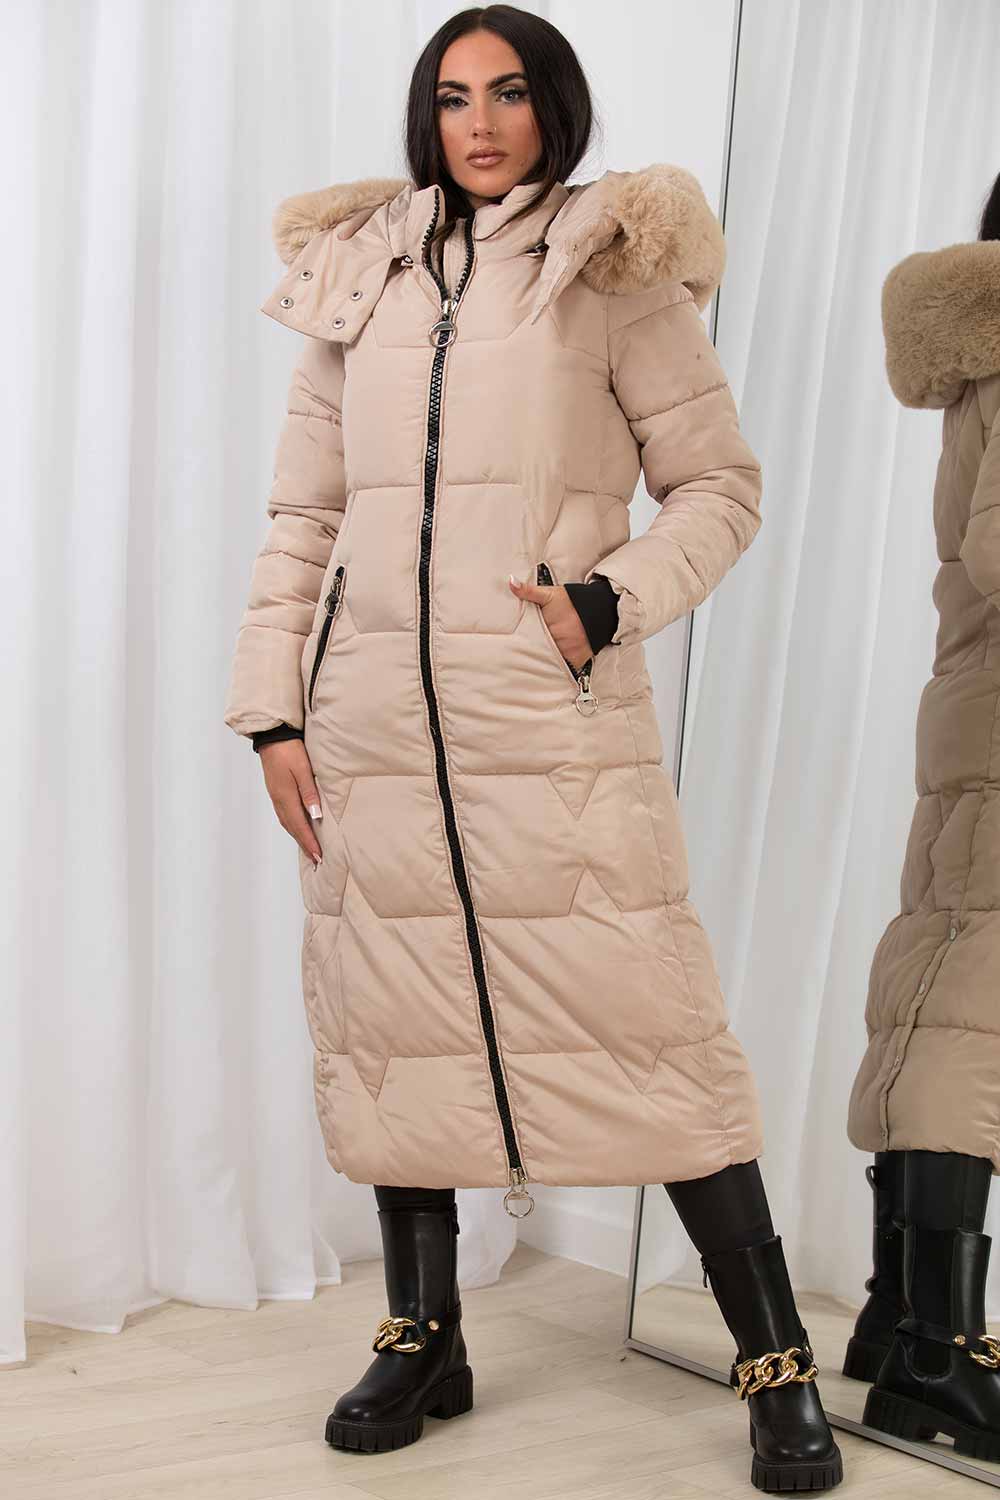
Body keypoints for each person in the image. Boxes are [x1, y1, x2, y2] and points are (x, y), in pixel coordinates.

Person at [224, 6, 842, 1490]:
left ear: (553, 106)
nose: (482, 123)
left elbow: (721, 486)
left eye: (508, 94)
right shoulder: (362, 271)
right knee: (400, 1025)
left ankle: (774, 1361)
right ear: (425, 117)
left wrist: (606, 601)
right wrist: (273, 711)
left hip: (549, 722)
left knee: (656, 1030)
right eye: (453, 98)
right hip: (374, 728)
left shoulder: (611, 270)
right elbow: (306, 514)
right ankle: (422, 1332)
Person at [845, 168, 1000, 1460]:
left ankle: (901, 1318)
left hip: (978, 709)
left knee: (943, 993)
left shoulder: (987, 359)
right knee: (973, 1016)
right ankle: (940, 1356)